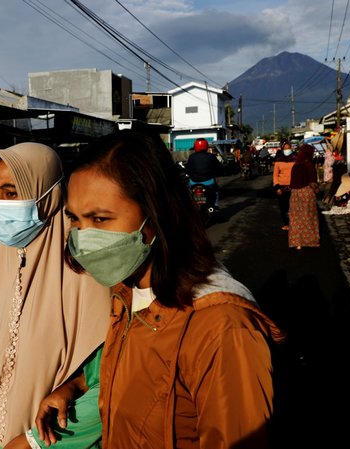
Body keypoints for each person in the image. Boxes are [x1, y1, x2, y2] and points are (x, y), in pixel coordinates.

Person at [35, 130, 284, 448]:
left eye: (100, 218)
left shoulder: (222, 326)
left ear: (157, 213)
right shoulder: (127, 291)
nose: (83, 238)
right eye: (75, 219)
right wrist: (78, 384)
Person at [0, 142, 110, 449]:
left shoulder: (86, 269)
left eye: (12, 193)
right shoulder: (1, 267)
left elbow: (116, 383)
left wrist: (32, 442)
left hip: (56, 440)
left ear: (48, 194)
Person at [288, 144, 320, 250]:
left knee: (296, 217)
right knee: (308, 216)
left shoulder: (296, 165)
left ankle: (297, 242)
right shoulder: (308, 164)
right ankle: (309, 241)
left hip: (294, 193)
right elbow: (312, 182)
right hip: (306, 193)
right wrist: (316, 191)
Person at [185, 138, 224, 206]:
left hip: (193, 183)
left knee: (188, 192)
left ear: (195, 147)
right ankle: (216, 205)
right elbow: (219, 168)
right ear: (206, 146)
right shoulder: (211, 156)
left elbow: (187, 169)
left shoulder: (191, 157)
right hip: (208, 182)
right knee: (216, 191)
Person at [272, 141, 297, 230]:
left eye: (288, 148)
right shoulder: (278, 160)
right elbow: (275, 175)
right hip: (282, 187)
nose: (287, 150)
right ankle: (286, 223)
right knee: (283, 207)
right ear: (282, 150)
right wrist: (277, 187)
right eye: (285, 148)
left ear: (291, 148)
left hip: (293, 186)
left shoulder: (295, 159)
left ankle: (293, 223)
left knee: (293, 206)